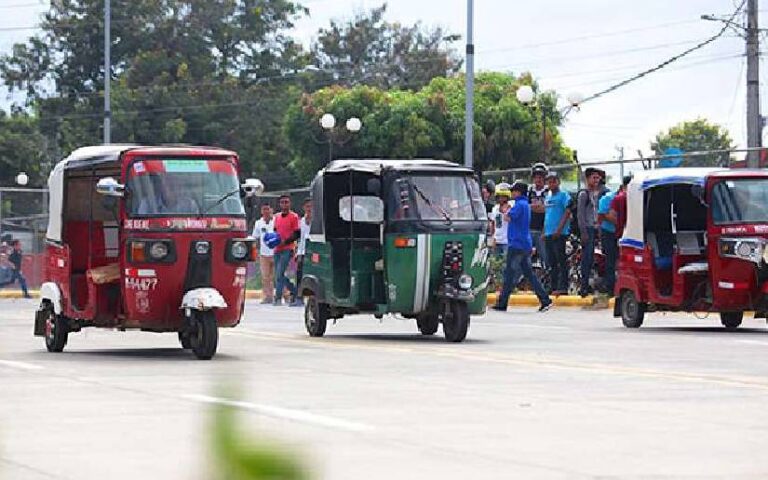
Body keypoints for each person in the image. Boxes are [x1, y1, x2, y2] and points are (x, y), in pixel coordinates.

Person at [493, 181, 553, 313]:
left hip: (516, 243)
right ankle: (545, 299)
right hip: (524, 242)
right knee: (529, 274)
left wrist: (504, 211)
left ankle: (502, 302)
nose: (512, 193)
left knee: (509, 273)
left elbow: (508, 217)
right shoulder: (525, 204)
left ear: (518, 192)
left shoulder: (519, 205)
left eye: (513, 190)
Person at [576, 167, 608, 297]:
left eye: (598, 178)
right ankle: (584, 286)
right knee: (587, 257)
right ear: (587, 179)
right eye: (594, 177)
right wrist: (583, 232)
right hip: (588, 228)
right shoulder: (584, 194)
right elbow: (580, 215)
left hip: (596, 227)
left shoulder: (598, 194)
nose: (597, 180)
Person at [543, 172, 571, 296]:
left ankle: (563, 286)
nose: (551, 184)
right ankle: (553, 286)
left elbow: (567, 212)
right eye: (549, 181)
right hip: (549, 233)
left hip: (559, 233)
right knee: (552, 261)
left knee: (561, 260)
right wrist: (544, 232)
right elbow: (547, 216)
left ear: (558, 182)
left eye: (554, 181)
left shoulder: (564, 195)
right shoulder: (548, 198)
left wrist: (559, 229)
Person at [273, 195, 300, 306]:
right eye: (282, 202)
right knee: (278, 275)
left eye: (286, 202)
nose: (284, 204)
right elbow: (275, 231)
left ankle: (278, 298)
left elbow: (297, 233)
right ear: (279, 204)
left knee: (279, 274)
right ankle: (294, 290)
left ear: (290, 203)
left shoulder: (294, 217)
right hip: (277, 249)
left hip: (287, 248)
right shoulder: (277, 217)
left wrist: (286, 242)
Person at [251, 203, 276, 304]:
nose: (266, 211)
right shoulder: (258, 223)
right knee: (265, 277)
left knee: (279, 275)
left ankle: (284, 295)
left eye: (268, 209)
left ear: (272, 210)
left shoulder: (276, 221)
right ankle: (268, 297)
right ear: (261, 211)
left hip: (276, 252)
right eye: (264, 209)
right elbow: (255, 238)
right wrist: (256, 251)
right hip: (264, 254)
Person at [597, 186, 618, 295]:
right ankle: (610, 286)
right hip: (609, 232)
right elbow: (602, 215)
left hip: (622, 232)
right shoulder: (607, 198)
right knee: (610, 259)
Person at [292, 198, 312, 307]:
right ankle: (299, 297)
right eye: (307, 207)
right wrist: (298, 252)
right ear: (304, 208)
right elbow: (301, 238)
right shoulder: (301, 221)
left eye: (311, 207)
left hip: (313, 252)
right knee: (299, 275)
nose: (309, 209)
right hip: (303, 252)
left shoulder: (317, 221)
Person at [528, 163, 549, 267]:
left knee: (546, 258)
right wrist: (538, 207)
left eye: (541, 177)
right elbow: (527, 207)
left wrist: (539, 208)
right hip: (529, 228)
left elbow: (548, 209)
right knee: (525, 257)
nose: (538, 179)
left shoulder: (548, 191)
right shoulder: (529, 191)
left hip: (543, 230)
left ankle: (548, 281)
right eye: (536, 177)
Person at [489, 183, 512, 258]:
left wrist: (505, 211)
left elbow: (509, 220)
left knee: (506, 262)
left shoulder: (511, 207)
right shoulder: (495, 208)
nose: (501, 199)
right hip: (497, 240)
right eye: (499, 197)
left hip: (507, 241)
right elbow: (493, 223)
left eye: (503, 197)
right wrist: (492, 237)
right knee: (495, 262)